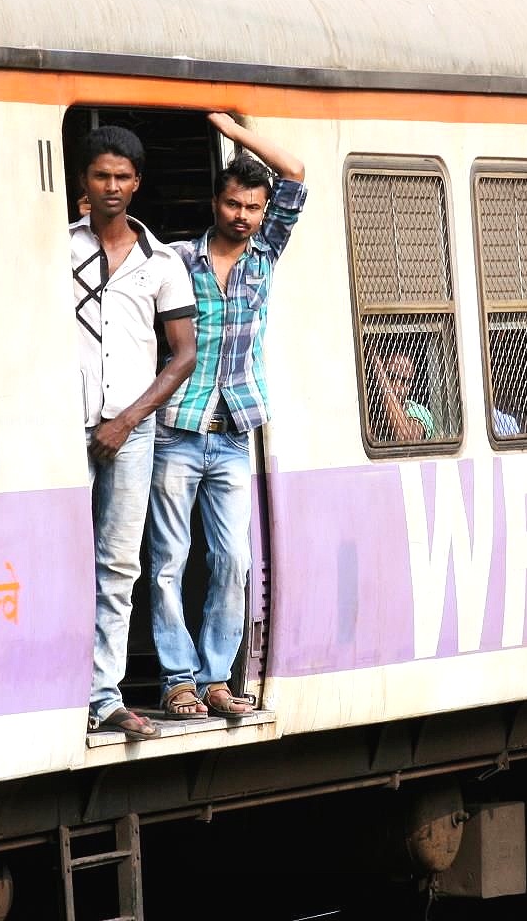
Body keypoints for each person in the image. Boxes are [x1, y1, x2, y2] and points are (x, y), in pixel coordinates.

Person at [148, 113, 306, 722]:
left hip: (234, 433)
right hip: (179, 432)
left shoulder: (264, 255)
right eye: (234, 203)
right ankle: (177, 681)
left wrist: (234, 130)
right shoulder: (177, 259)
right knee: (166, 562)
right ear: (216, 202)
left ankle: (216, 677)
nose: (243, 216)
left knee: (232, 560)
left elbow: (294, 171)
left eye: (253, 208)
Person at [70, 125, 197, 741]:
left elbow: (183, 355)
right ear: (84, 183)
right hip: (65, 426)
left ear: (137, 183)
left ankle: (104, 695)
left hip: (131, 431)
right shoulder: (58, 251)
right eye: (101, 176)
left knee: (119, 564)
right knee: (65, 560)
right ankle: (59, 687)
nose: (112, 187)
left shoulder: (163, 262)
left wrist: (126, 421)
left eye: (122, 177)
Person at [369, 350, 435, 442]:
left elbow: (405, 437)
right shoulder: (370, 411)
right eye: (391, 377)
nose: (397, 387)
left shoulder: (419, 412)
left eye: (404, 381)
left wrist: (378, 367)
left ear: (411, 387)